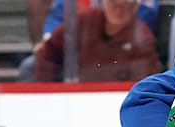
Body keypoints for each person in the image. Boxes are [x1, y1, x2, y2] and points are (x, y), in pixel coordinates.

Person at [33, 0, 161, 82]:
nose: (118, 10)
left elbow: (143, 85)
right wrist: (48, 93)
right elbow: (48, 54)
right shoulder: (84, 21)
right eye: (113, 3)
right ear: (103, 2)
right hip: (75, 96)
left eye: (125, 5)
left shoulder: (142, 37)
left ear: (135, 7)